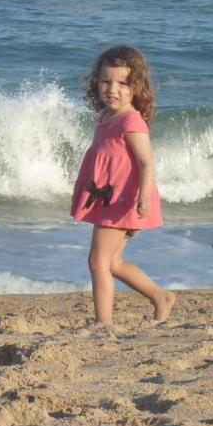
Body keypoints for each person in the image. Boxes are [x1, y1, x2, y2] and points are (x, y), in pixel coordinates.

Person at [70, 45, 176, 326]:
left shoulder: (131, 121)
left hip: (125, 202)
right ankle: (160, 297)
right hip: (107, 199)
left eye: (122, 83)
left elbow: (146, 163)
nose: (112, 89)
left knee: (97, 262)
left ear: (136, 87)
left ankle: (103, 324)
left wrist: (143, 199)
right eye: (106, 81)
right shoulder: (106, 117)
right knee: (113, 263)